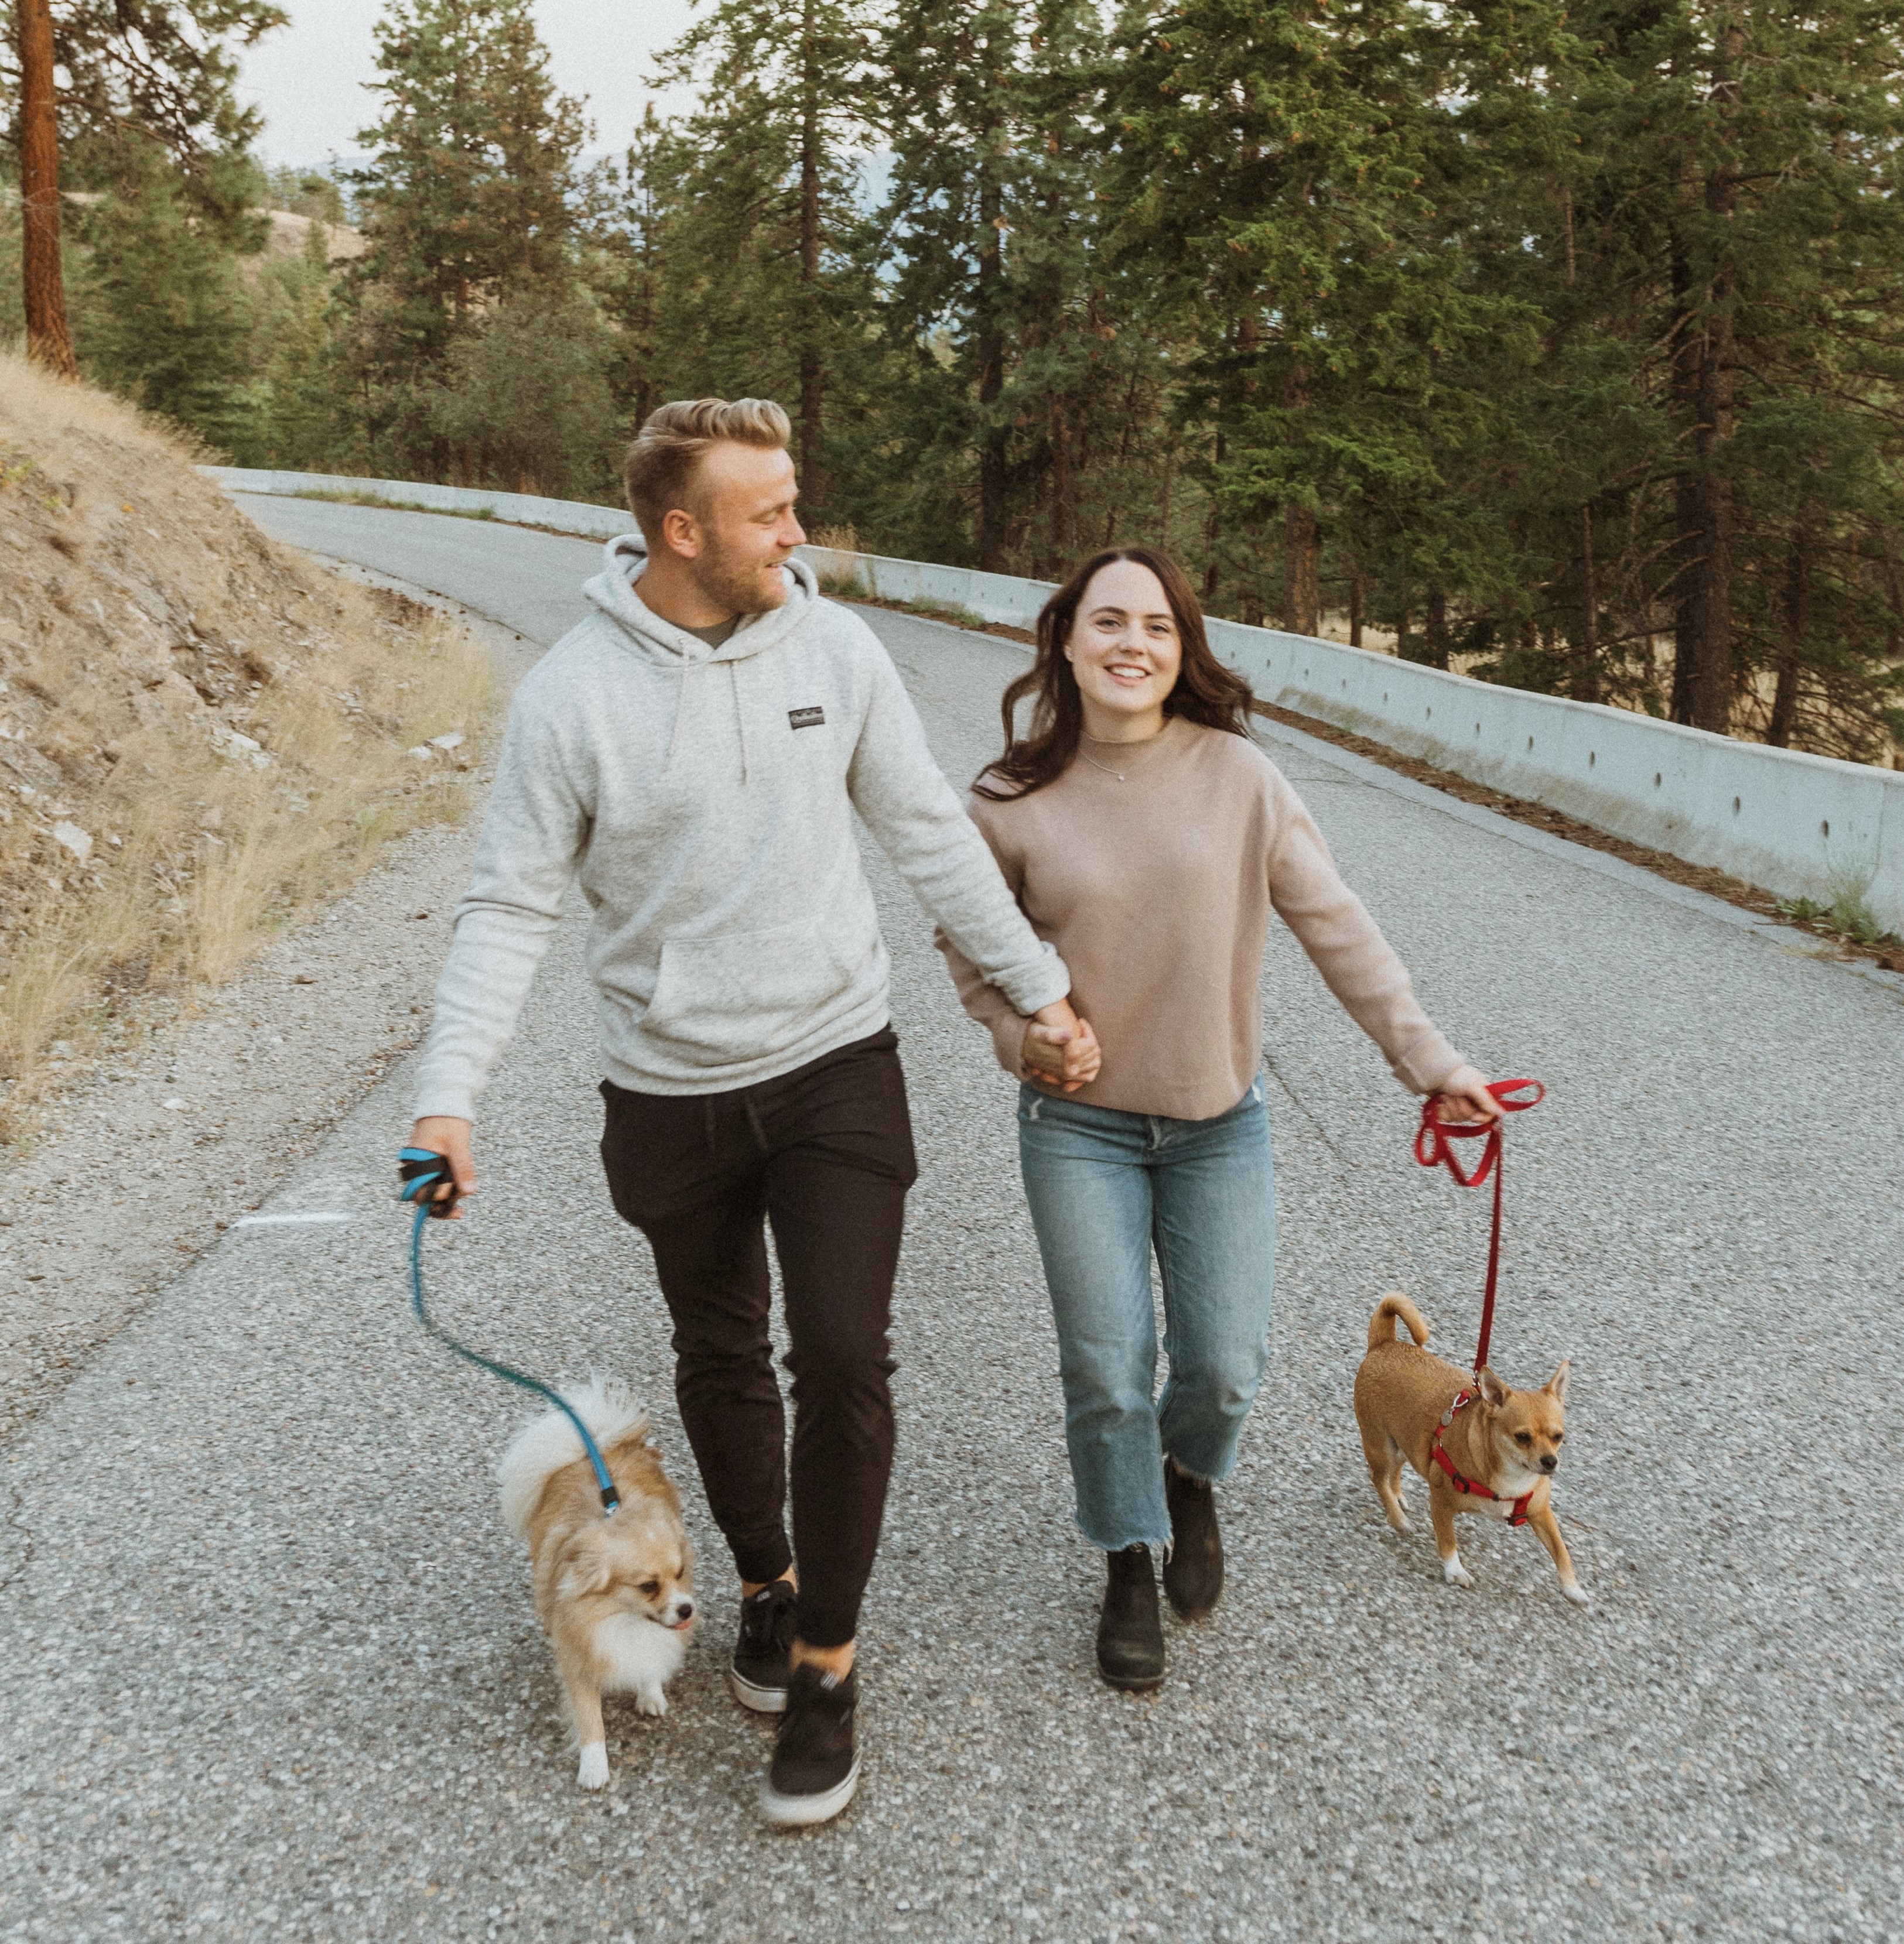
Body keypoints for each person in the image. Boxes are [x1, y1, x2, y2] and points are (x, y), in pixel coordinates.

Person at [405, 397, 1099, 1825]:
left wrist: (1042, 993)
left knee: (844, 1355)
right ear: (681, 533)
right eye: (770, 511)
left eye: (796, 501)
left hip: (837, 1060)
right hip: (668, 1092)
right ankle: (766, 1586)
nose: (800, 531)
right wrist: (447, 1099)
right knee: (719, 1351)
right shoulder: (572, 698)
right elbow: (508, 902)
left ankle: (829, 1667)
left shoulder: (835, 650)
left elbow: (926, 831)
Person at [938, 545, 1499, 1690]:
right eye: (1107, 623)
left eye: (1156, 624)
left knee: (1226, 1368)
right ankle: (1128, 1553)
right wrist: (1017, 1036)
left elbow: (1338, 924)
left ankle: (1186, 1476)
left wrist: (1427, 1058)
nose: (1131, 643)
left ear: (1183, 647)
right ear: (1066, 642)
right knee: (1106, 1367)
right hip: (1077, 1126)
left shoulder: (1241, 777)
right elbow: (970, 948)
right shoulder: (1005, 800)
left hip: (1217, 1126)